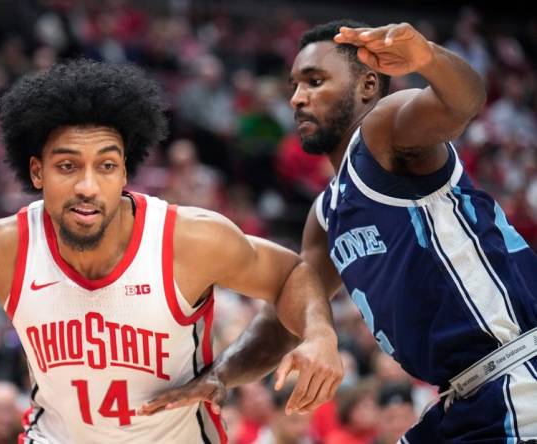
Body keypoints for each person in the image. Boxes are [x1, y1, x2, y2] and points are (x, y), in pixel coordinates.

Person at [0, 59, 343, 443]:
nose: (87, 185)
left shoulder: (187, 240)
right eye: (66, 166)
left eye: (106, 165)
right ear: (36, 172)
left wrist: (318, 332)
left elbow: (292, 273)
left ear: (125, 171)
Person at [144, 20, 537, 442]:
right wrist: (222, 375)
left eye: (314, 81)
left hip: (518, 372)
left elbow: (464, 101)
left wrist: (427, 58)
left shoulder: (385, 130)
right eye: (294, 85)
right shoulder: (326, 214)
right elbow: (286, 317)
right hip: (462, 399)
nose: (297, 98)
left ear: (368, 86)